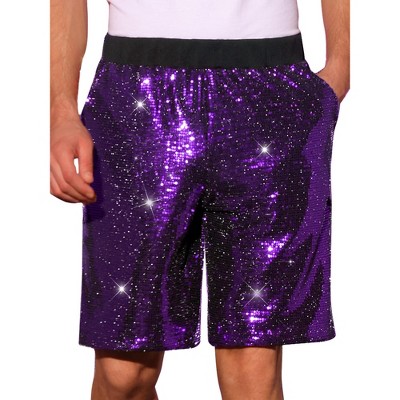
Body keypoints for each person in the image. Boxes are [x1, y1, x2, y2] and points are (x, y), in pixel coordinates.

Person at [50, 0, 350, 399]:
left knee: (252, 375)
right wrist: (62, 110)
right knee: (123, 374)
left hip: (269, 86)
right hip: (137, 94)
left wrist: (341, 65)